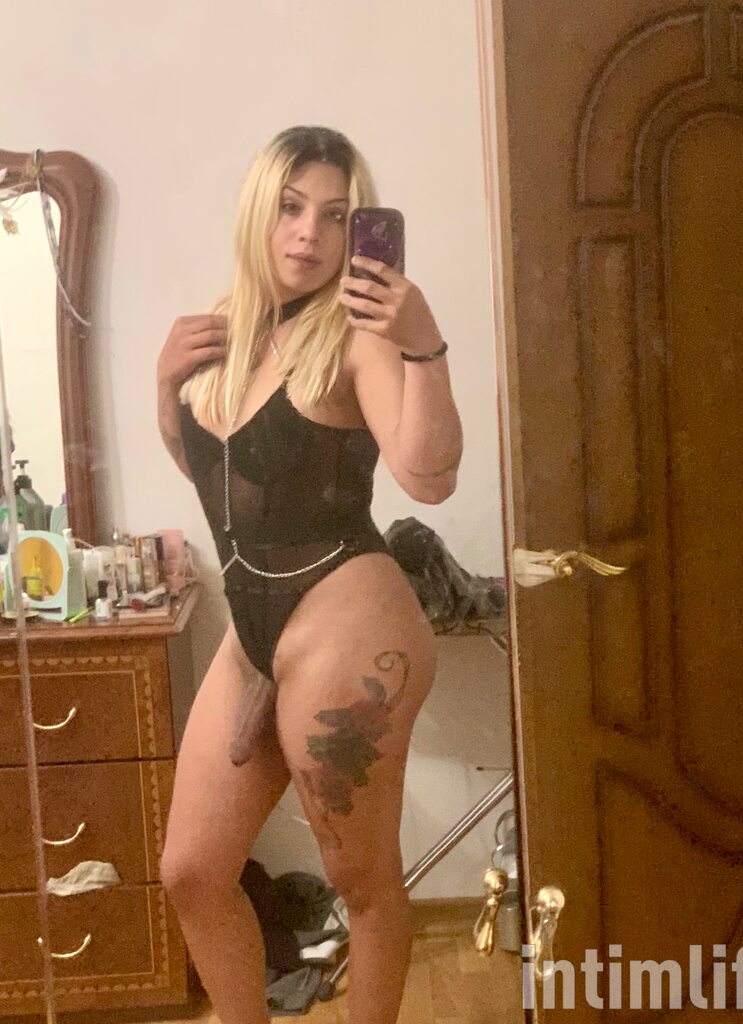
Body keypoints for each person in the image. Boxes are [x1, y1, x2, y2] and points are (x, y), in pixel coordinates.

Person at [156, 125, 463, 1024]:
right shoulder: (221, 334)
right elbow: (216, 482)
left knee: (358, 878)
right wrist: (164, 385)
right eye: (291, 208)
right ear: (258, 210)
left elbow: (428, 476)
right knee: (191, 871)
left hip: (349, 625)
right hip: (251, 632)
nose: (309, 233)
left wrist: (423, 345)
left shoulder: (359, 335)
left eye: (334, 215)